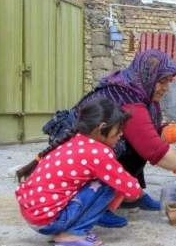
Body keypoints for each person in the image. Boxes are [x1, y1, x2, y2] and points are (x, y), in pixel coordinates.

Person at [24, 49, 176, 228]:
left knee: (135, 145)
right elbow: (154, 149)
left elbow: (153, 133)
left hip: (95, 150)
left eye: (169, 81)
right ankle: (99, 208)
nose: (166, 87)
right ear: (149, 76)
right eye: (163, 81)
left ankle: (126, 197)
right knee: (133, 149)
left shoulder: (141, 91)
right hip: (81, 158)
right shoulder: (128, 98)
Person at [15, 98, 141, 246]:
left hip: (33, 214)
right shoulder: (98, 152)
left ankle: (68, 229)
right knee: (110, 184)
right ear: (101, 128)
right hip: (49, 221)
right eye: (118, 129)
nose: (121, 134)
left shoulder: (75, 141)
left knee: (104, 179)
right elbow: (132, 190)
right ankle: (73, 234)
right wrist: (133, 191)